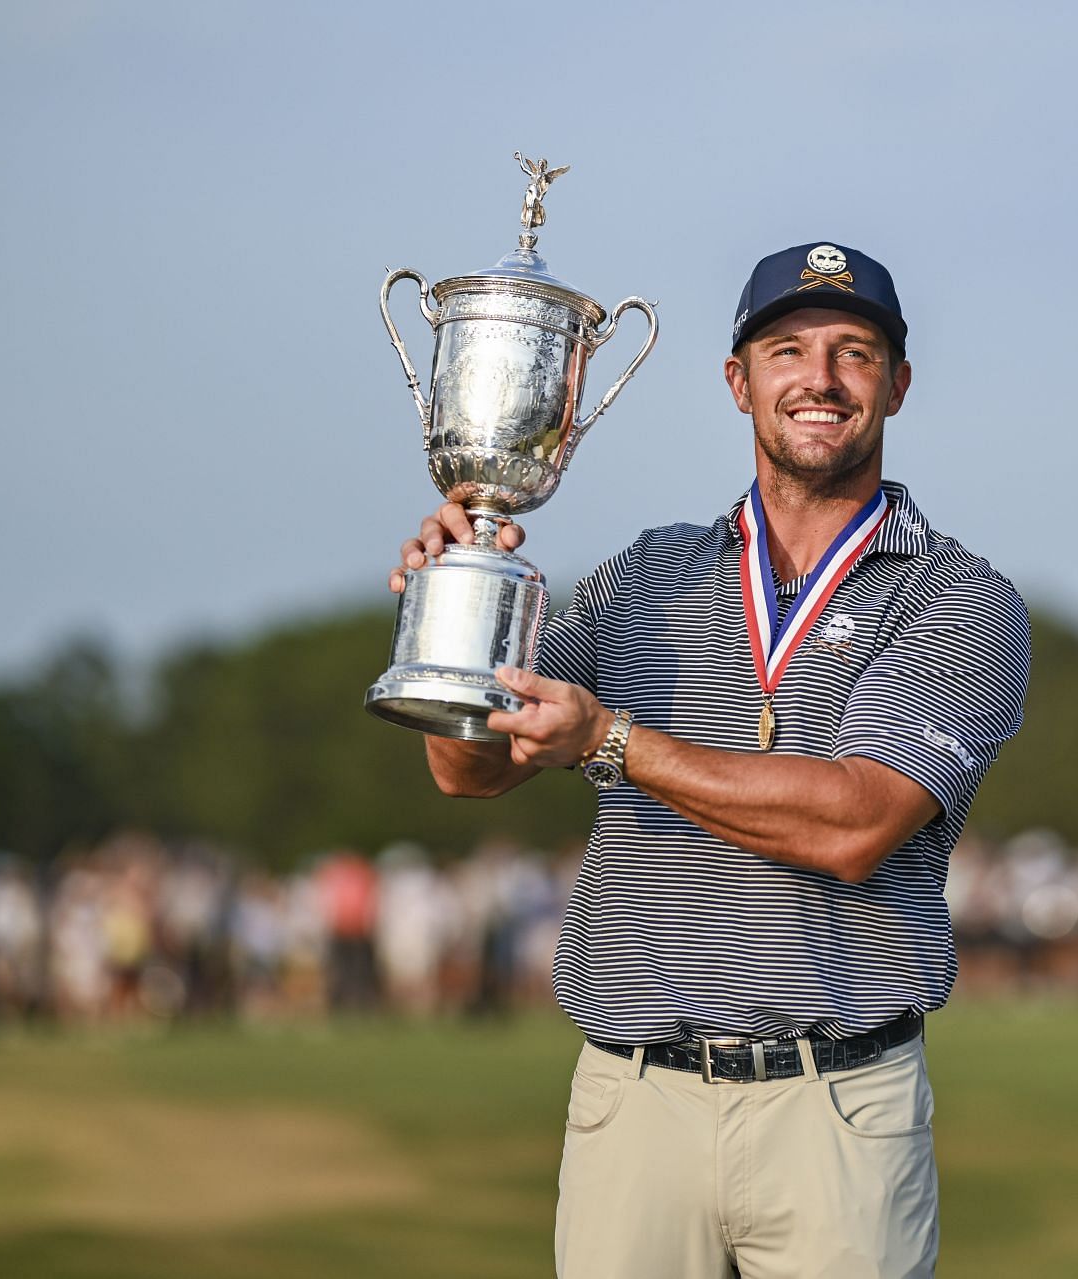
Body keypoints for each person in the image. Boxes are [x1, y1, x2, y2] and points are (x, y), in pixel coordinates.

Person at [388, 241, 1031, 1277]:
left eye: (853, 352)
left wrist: (613, 742)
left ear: (897, 384)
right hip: (633, 1100)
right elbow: (471, 769)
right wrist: (457, 615)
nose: (818, 379)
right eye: (786, 350)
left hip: (838, 1108)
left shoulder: (959, 599)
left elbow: (856, 822)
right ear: (740, 383)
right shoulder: (643, 575)